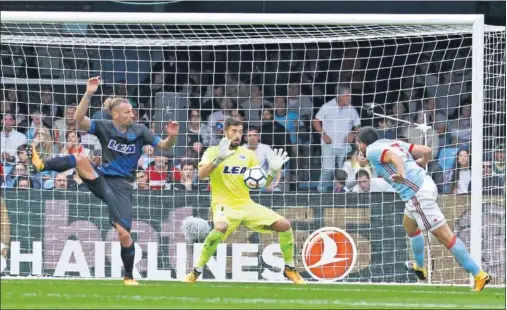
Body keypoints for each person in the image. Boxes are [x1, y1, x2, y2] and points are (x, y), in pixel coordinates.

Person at [29, 76, 179, 286]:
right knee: (80, 158)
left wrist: (172, 136)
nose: (132, 114)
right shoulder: (104, 126)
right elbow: (79, 119)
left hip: (123, 186)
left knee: (124, 234)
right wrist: (89, 93)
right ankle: (41, 165)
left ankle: (128, 276)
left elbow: (164, 146)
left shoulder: (140, 130)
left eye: (132, 111)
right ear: (116, 114)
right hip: (102, 178)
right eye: (127, 112)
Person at [356, 126, 490, 291]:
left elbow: (395, 158)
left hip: (417, 194)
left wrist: (401, 174)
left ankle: (479, 274)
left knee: (446, 238)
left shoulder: (371, 150)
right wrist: (422, 162)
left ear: (361, 143)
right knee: (410, 226)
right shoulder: (391, 142)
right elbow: (426, 150)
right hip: (425, 183)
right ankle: (419, 267)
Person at [183, 118, 305, 284]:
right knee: (220, 227)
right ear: (225, 132)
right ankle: (195, 272)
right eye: (234, 131)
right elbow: (202, 175)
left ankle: (290, 269)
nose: (238, 135)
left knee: (285, 225)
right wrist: (218, 160)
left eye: (240, 132)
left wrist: (272, 172)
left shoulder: (248, 155)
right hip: (223, 205)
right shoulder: (212, 151)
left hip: (246, 204)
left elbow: (259, 184)